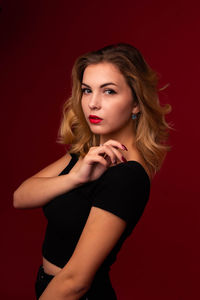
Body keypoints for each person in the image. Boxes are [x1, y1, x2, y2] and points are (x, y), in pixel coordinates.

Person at [13, 42, 172, 300]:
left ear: (136, 103)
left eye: (109, 91)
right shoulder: (88, 155)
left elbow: (76, 281)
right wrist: (76, 177)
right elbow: (20, 197)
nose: (93, 104)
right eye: (87, 90)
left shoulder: (127, 176)